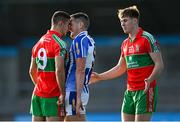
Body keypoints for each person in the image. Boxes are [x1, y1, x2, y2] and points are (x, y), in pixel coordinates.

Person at [90, 5, 164, 121]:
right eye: (121, 21)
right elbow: (120, 67)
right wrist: (100, 77)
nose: (122, 24)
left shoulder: (147, 38)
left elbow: (159, 64)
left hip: (145, 91)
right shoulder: (125, 43)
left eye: (125, 20)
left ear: (135, 20)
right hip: (129, 92)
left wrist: (150, 79)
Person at [29, 11, 70, 121]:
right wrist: (62, 93)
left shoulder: (38, 43)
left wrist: (41, 87)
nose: (68, 29)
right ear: (61, 24)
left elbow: (31, 71)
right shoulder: (60, 44)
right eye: (67, 25)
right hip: (53, 96)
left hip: (37, 95)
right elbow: (59, 70)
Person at [64, 12, 95, 121]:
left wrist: (77, 97)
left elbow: (80, 70)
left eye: (71, 24)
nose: (69, 28)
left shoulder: (80, 40)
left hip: (74, 90)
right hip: (80, 89)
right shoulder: (90, 40)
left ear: (81, 24)